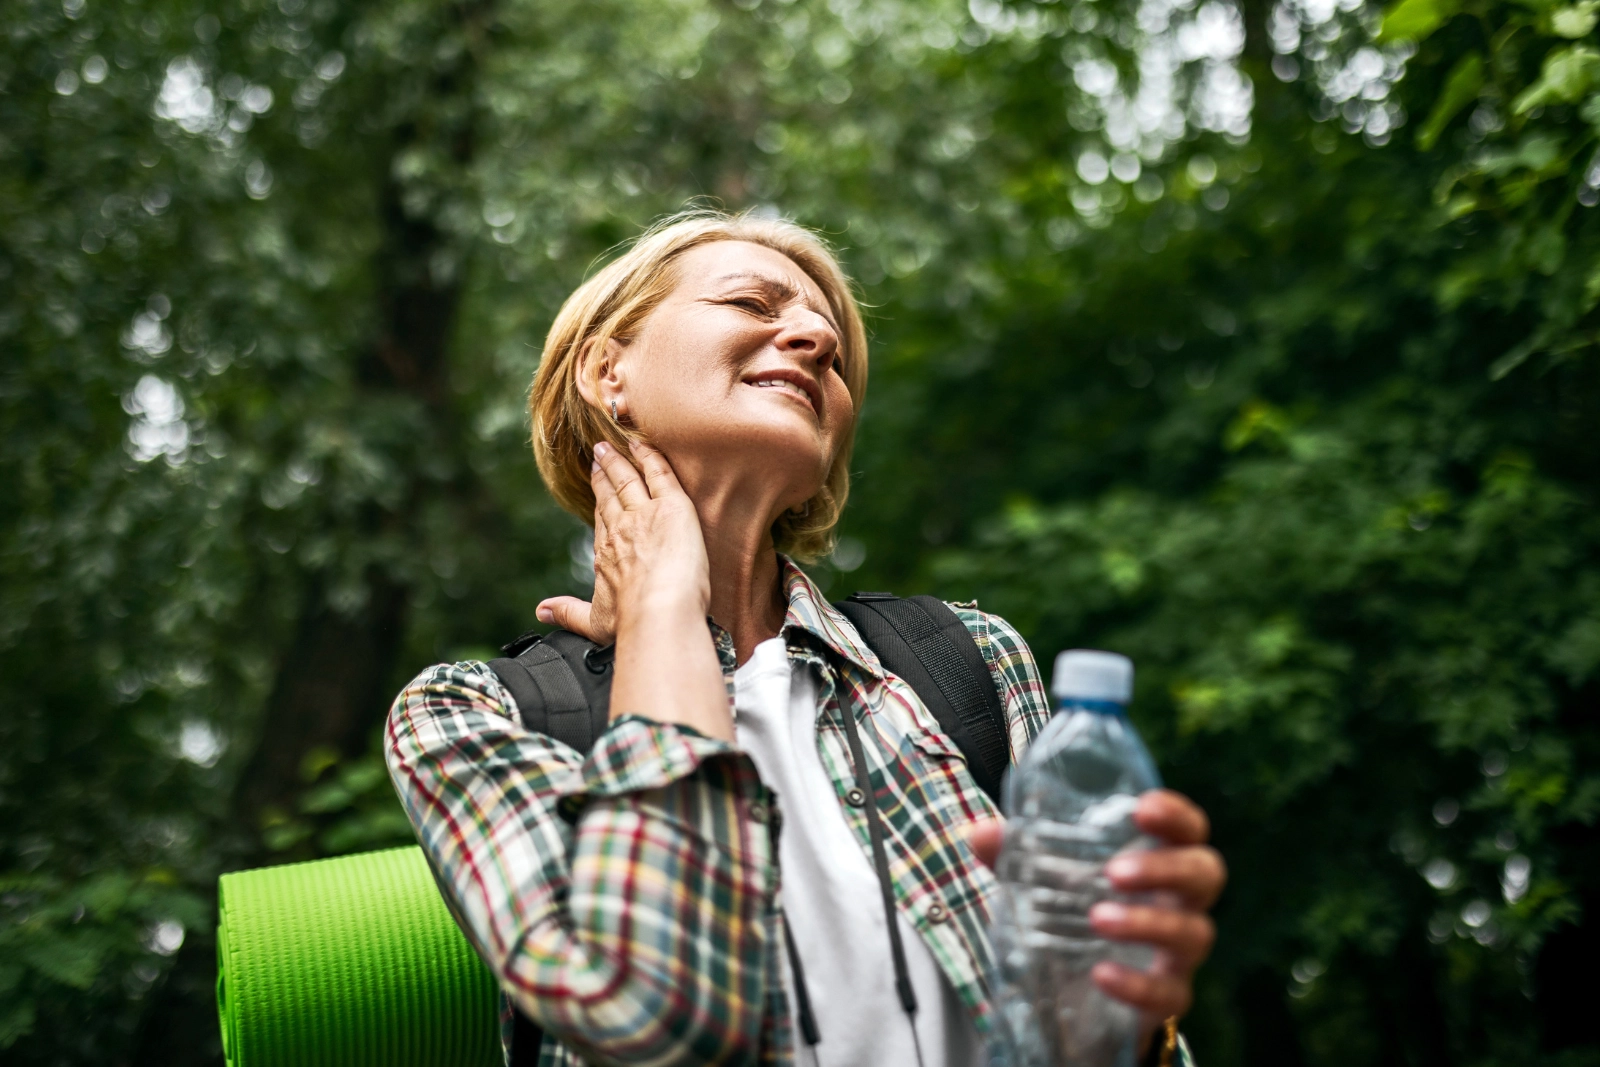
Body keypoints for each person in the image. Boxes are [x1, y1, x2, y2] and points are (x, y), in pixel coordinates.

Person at [385, 208, 1226, 1067]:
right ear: (610, 373)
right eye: (752, 301)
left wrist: (1118, 1019)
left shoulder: (968, 656)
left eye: (830, 338)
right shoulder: (466, 713)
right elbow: (654, 1013)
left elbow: (1100, 1038)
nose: (818, 336)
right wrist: (664, 608)